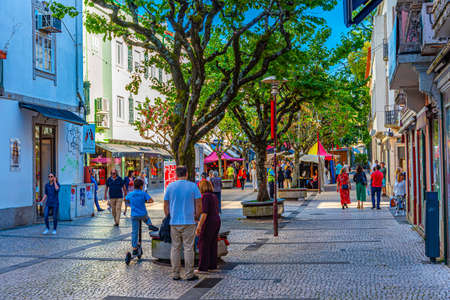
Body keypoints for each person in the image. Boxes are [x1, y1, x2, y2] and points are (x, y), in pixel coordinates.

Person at [164, 166, 202, 281]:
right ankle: (189, 274)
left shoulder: (170, 187)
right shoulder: (193, 186)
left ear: (176, 174)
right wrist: (196, 216)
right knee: (188, 248)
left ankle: (175, 274)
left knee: (175, 248)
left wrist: (169, 217)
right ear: (186, 174)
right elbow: (199, 204)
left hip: (174, 222)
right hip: (189, 221)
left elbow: (165, 205)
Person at [126, 178, 159, 255]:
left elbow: (126, 200)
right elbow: (151, 200)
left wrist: (131, 204)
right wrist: (145, 201)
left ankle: (134, 248)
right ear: (141, 186)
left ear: (134, 186)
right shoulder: (143, 193)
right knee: (146, 218)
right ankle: (150, 225)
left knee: (134, 232)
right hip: (142, 214)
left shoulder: (130, 194)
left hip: (134, 215)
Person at [195, 180, 221, 274]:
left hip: (209, 222)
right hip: (216, 220)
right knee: (212, 244)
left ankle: (202, 268)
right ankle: (212, 266)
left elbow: (204, 213)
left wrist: (199, 226)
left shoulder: (205, 197)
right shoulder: (213, 196)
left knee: (204, 244)